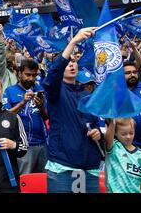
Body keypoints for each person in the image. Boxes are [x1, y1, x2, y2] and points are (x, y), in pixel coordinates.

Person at [42, 27, 103, 193]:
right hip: (62, 166)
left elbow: (95, 123)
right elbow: (52, 75)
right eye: (68, 62)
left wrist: (98, 132)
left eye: (74, 61)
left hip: (88, 166)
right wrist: (73, 42)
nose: (71, 65)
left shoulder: (86, 94)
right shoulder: (55, 90)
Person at [2, 59, 48, 174]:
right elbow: (5, 117)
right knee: (24, 182)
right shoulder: (10, 91)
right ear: (19, 74)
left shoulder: (40, 90)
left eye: (34, 75)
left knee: (43, 183)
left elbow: (47, 118)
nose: (31, 78)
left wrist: (41, 107)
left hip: (42, 144)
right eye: (27, 75)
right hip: (23, 146)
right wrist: (22, 102)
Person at [104, 118, 141, 193]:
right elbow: (107, 139)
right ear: (115, 133)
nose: (128, 136)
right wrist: (112, 123)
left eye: (131, 133)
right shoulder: (113, 147)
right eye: (123, 134)